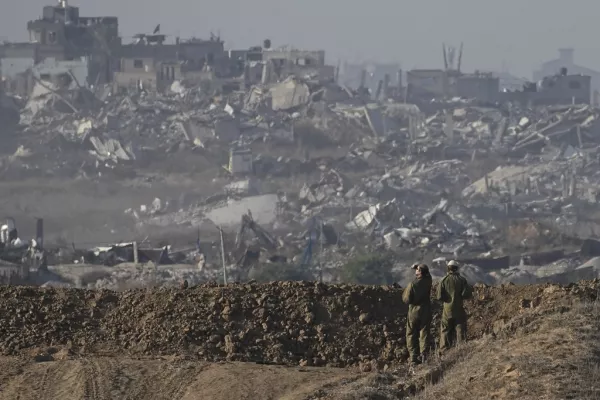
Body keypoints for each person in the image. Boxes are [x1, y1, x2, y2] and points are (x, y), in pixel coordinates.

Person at [436, 260, 473, 352]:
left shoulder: (443, 280)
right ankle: (462, 348)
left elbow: (439, 296)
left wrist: (447, 299)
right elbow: (466, 294)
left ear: (448, 268)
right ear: (456, 269)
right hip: (459, 308)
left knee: (445, 329)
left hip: (447, 309)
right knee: (460, 327)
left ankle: (444, 350)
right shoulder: (462, 280)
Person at [402, 263, 433, 365]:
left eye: (417, 270)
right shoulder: (428, 281)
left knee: (411, 334)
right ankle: (424, 354)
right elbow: (427, 274)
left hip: (414, 311)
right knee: (424, 332)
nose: (415, 271)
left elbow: (406, 299)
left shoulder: (413, 285)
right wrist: (419, 267)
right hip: (426, 310)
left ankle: (413, 358)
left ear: (420, 272)